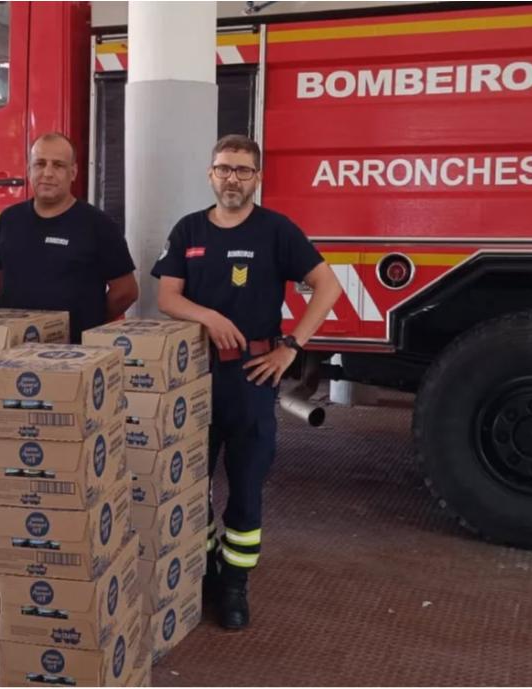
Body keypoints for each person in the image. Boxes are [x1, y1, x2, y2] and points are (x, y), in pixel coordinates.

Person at [151, 134, 343, 629]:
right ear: (210, 174)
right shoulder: (189, 229)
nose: (231, 178)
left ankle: (235, 585)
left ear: (257, 178)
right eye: (223, 168)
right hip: (194, 377)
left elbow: (328, 286)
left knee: (246, 487)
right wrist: (209, 317)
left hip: (252, 379)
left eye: (242, 170)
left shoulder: (276, 230)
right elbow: (168, 297)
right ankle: (206, 570)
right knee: (190, 482)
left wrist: (291, 347)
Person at [0, 132, 138, 342]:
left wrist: (88, 323)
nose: (47, 173)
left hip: (75, 352)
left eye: (58, 165)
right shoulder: (9, 219)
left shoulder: (99, 225)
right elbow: (0, 276)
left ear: (73, 172)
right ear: (29, 170)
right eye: (40, 164)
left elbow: (126, 292)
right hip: (16, 347)